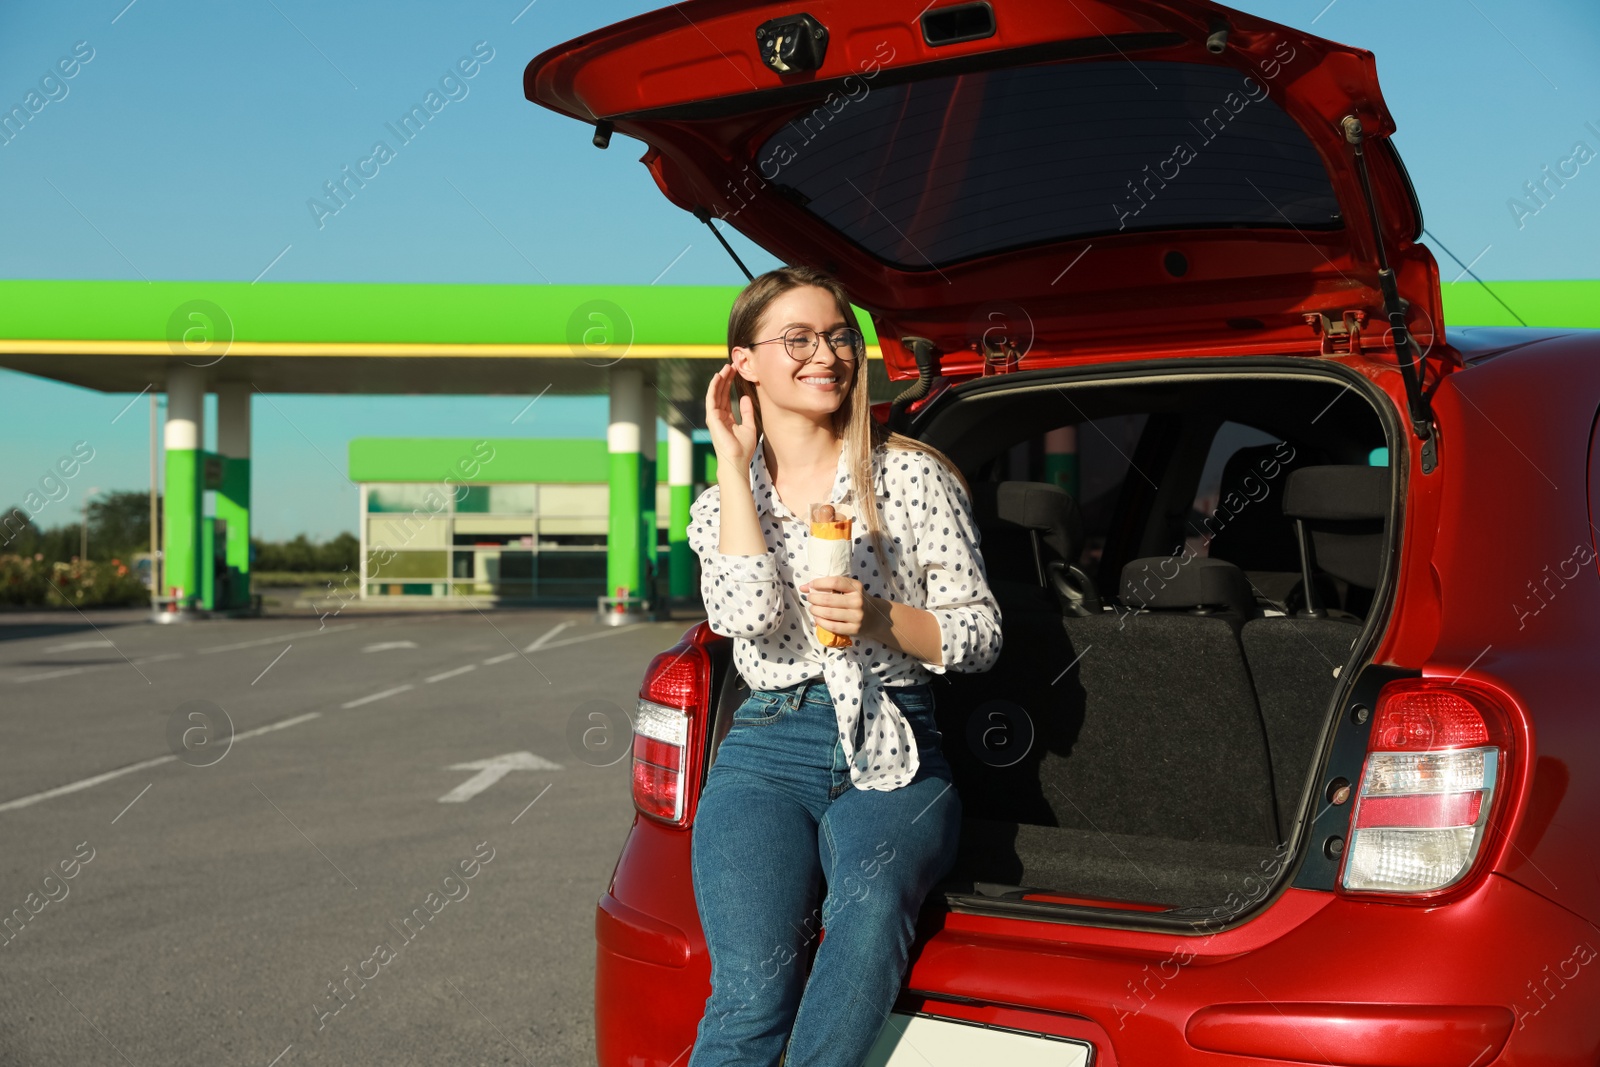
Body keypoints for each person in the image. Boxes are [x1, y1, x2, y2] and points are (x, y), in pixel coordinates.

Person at [685, 265, 1002, 1067]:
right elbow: (746, 616)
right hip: (765, 746)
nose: (824, 353)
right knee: (750, 999)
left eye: (837, 336)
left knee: (869, 895)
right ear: (743, 362)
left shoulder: (911, 476)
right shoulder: (721, 500)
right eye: (796, 338)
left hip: (895, 744)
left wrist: (880, 619)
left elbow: (981, 633)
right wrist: (732, 462)